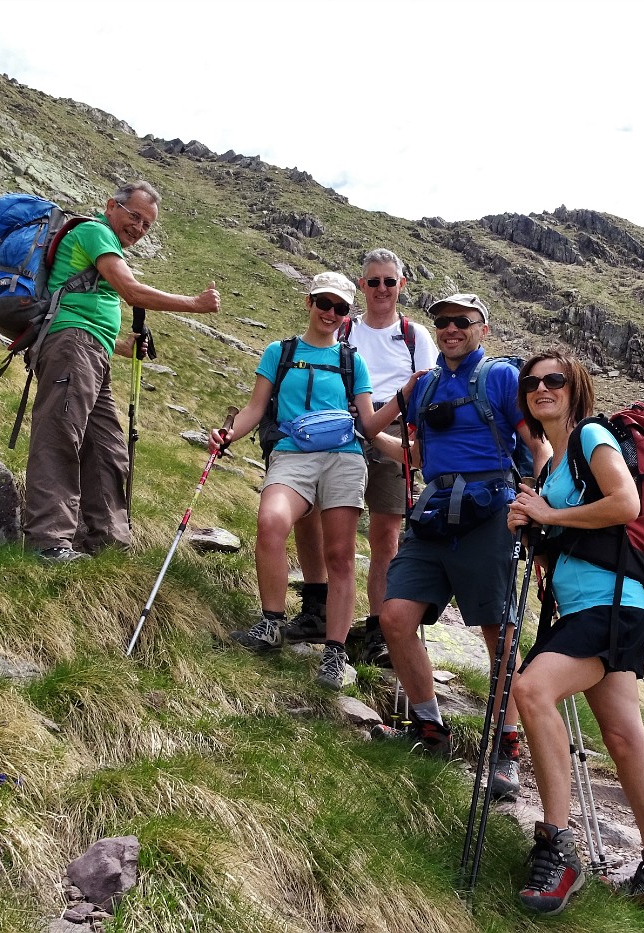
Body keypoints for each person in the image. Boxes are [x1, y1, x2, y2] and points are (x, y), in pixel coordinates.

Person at [506, 349, 644, 917]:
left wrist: (548, 518)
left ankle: (559, 848)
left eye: (553, 379)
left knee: (531, 690)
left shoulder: (591, 437)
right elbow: (567, 536)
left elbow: (626, 503)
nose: (541, 388)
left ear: (574, 386)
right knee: (626, 740)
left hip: (607, 608)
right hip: (596, 609)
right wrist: (530, 525)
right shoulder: (551, 466)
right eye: (532, 383)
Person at [369, 293, 549, 805]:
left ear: (482, 329)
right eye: (442, 322)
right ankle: (430, 728)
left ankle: (506, 747)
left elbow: (537, 445)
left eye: (461, 322)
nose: (449, 329)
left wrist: (537, 498)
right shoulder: (425, 385)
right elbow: (417, 452)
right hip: (434, 513)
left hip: (490, 514)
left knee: (500, 629)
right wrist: (360, 430)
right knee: (395, 616)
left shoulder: (500, 378)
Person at [209, 272, 405, 690]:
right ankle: (272, 624)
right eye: (323, 304)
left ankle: (334, 653)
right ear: (308, 302)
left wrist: (406, 397)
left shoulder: (353, 362)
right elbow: (255, 408)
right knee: (271, 522)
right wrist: (228, 434)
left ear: (346, 313)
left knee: (340, 555)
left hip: (344, 458)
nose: (330, 313)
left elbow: (368, 423)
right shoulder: (278, 353)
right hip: (291, 456)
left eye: (339, 308)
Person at [24, 180, 220, 563]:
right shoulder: (95, 232)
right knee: (60, 436)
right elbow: (130, 291)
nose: (139, 229)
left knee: (108, 447)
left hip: (90, 350)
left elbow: (86, 312)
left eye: (147, 225)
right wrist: (195, 304)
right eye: (135, 216)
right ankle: (48, 542)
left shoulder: (102, 243)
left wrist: (125, 346)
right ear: (111, 205)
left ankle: (108, 542)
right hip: (72, 348)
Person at [283, 249, 438, 667]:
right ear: (362, 285)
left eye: (389, 281)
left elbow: (426, 389)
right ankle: (317, 606)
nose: (382, 289)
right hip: (339, 428)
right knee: (310, 514)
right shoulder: (345, 327)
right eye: (373, 282)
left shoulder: (415, 335)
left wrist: (412, 440)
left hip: (393, 430)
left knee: (385, 535)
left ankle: (376, 629)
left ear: (402, 285)